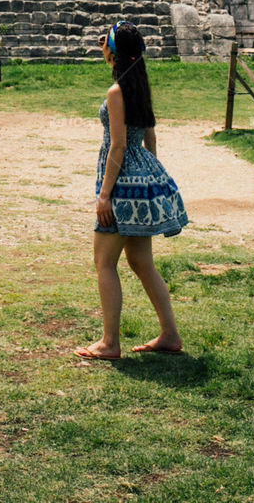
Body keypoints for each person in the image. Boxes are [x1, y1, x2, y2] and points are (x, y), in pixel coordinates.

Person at [75, 20, 188, 361]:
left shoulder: (116, 92)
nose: (101, 45)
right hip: (143, 182)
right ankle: (169, 333)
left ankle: (110, 343)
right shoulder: (140, 86)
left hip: (121, 184)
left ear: (115, 53)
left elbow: (118, 148)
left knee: (104, 262)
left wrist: (105, 195)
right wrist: (152, 189)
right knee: (141, 262)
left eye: (105, 42)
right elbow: (149, 140)